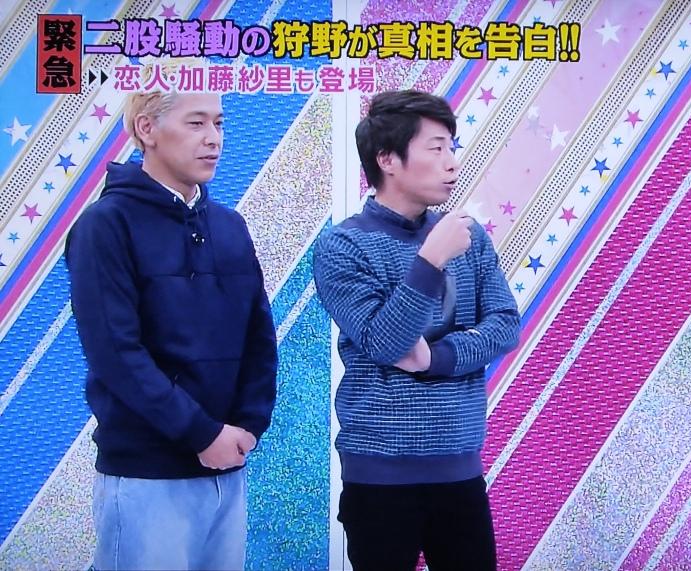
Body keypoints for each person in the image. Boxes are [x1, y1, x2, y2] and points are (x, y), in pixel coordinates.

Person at [66, 61, 278, 570]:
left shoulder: (229, 225)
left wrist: (248, 426)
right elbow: (117, 355)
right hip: (146, 477)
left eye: (219, 123)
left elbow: (258, 336)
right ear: (147, 128)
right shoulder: (105, 226)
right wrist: (200, 434)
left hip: (228, 469)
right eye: (196, 122)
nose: (213, 139)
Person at [313, 89, 520, 571]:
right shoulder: (344, 246)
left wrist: (438, 357)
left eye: (452, 147)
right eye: (436, 148)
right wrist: (430, 259)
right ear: (387, 159)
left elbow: (505, 324)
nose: (451, 163)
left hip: (460, 468)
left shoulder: (467, 235)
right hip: (380, 476)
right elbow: (385, 342)